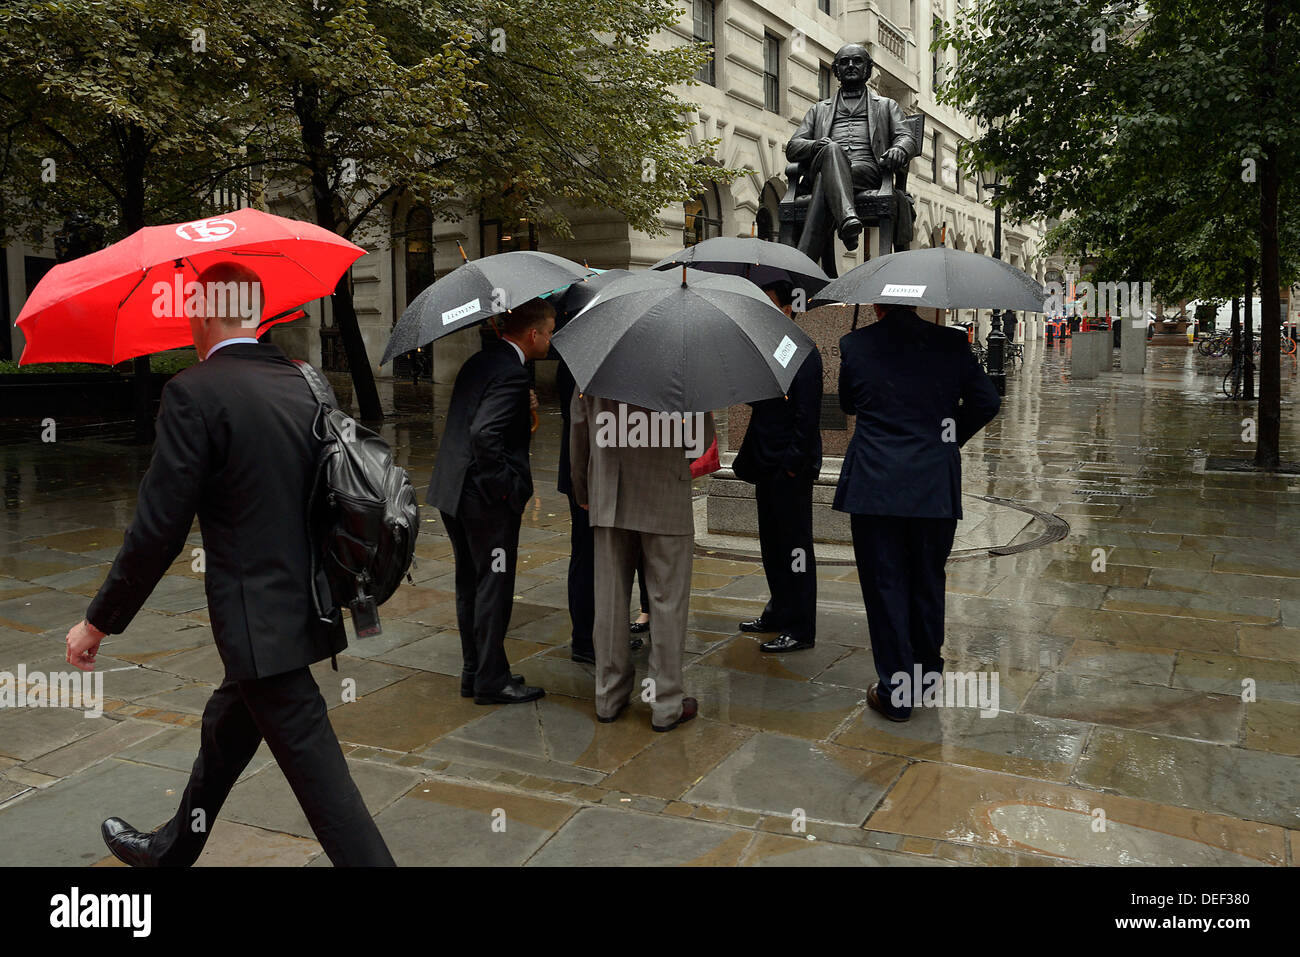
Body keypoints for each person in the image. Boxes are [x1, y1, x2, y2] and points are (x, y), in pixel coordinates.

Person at [64, 261, 395, 867]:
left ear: (202, 311)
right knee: (226, 731)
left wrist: (98, 621)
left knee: (326, 786)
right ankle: (171, 850)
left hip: (257, 624)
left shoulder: (193, 391)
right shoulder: (303, 379)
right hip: (308, 605)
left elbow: (158, 529)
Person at [834, 302, 1000, 721]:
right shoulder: (951, 342)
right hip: (932, 485)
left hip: (876, 485)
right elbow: (986, 401)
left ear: (875, 305)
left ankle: (896, 691)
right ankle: (927, 675)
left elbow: (849, 405)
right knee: (927, 578)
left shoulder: (856, 344)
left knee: (884, 583)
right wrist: (947, 439)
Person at [427, 300, 554, 704]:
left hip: (452, 492)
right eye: (550, 331)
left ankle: (475, 671)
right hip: (484, 501)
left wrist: (521, 409)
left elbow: (475, 419)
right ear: (533, 334)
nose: (551, 339)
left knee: (471, 583)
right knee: (493, 588)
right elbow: (484, 435)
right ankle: (491, 680)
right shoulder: (512, 374)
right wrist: (506, 489)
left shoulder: (481, 362)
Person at [570, 395, 714, 731]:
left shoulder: (596, 358)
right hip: (664, 489)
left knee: (609, 599)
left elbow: (578, 433)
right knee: (667, 600)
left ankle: (608, 697)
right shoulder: (684, 360)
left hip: (609, 491)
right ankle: (665, 704)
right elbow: (700, 439)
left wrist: (583, 491)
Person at [733, 281, 823, 652]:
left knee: (795, 548)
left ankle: (800, 626)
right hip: (764, 463)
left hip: (789, 468)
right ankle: (778, 609)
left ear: (789, 307)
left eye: (769, 303)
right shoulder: (769, 347)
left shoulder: (802, 350)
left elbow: (807, 414)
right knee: (772, 544)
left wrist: (790, 464)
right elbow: (760, 402)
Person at [786, 43, 918, 261]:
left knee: (824, 179)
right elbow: (793, 147)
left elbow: (907, 137)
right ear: (836, 70)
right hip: (826, 165)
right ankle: (847, 219)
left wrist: (898, 149)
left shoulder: (886, 106)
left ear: (868, 68)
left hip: (868, 172)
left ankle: (803, 266)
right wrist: (816, 145)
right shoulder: (820, 109)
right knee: (831, 151)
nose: (850, 65)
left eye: (857, 61)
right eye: (844, 62)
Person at [557, 358, 646, 664]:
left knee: (603, 559)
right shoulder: (583, 361)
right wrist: (582, 489)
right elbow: (578, 423)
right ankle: (586, 640)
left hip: (600, 474)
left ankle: (604, 634)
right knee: (588, 558)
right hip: (590, 475)